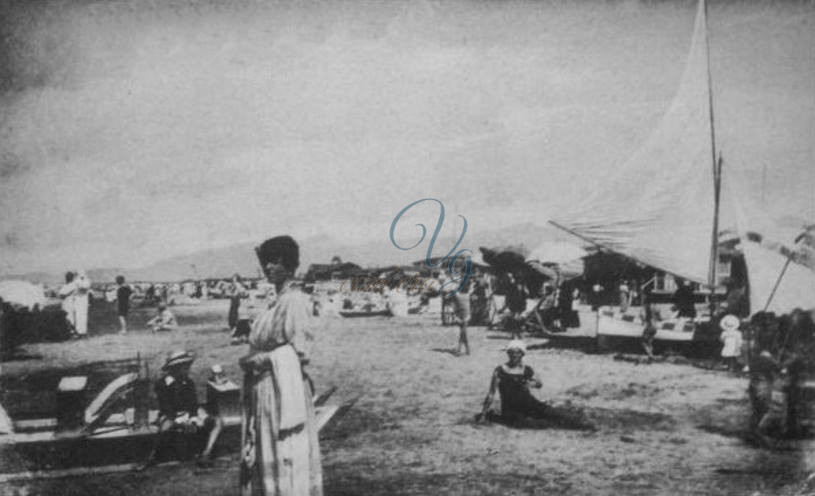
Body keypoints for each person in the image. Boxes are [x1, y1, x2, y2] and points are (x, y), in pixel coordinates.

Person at [239, 235, 323, 496]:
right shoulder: (272, 304)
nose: (268, 268)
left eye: (275, 262)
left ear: (289, 265)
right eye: (266, 262)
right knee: (265, 451)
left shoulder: (294, 301)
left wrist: (261, 359)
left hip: (283, 393)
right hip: (264, 390)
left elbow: (300, 352)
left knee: (287, 452)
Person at [477, 340, 593, 430]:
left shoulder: (526, 369)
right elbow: (491, 394)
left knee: (553, 414)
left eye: (517, 353)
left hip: (529, 403)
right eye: (511, 353)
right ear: (508, 354)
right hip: (512, 409)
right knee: (535, 424)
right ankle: (492, 416)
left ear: (522, 354)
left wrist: (531, 384)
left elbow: (539, 383)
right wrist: (483, 414)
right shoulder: (500, 371)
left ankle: (582, 423)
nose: (514, 356)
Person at [141, 350, 223, 469]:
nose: (187, 370)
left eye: (187, 367)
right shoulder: (162, 384)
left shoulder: (188, 382)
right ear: (175, 368)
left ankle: (206, 453)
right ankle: (151, 458)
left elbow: (193, 405)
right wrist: (180, 421)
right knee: (166, 427)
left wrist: (193, 419)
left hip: (188, 414)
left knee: (218, 422)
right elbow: (165, 408)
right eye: (184, 367)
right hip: (171, 415)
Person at [449, 280, 471, 356]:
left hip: (464, 315)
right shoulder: (465, 294)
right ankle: (467, 349)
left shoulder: (461, 294)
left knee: (463, 332)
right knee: (463, 332)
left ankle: (459, 349)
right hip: (463, 315)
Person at [58, 272, 77, 336]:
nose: (67, 278)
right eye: (66, 277)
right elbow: (60, 294)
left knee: (70, 316)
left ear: (71, 278)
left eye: (68, 277)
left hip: (70, 302)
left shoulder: (73, 285)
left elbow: (62, 295)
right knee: (66, 316)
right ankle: (69, 331)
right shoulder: (66, 285)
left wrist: (64, 295)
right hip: (65, 303)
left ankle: (72, 332)